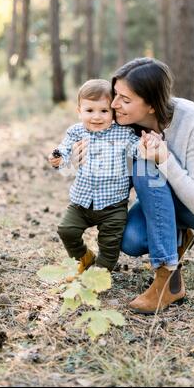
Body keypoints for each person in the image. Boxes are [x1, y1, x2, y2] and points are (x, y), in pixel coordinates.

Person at [66, 58, 194, 314]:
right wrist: (78, 161)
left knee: (145, 165)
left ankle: (166, 279)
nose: (114, 105)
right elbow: (115, 180)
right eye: (115, 96)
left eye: (125, 100)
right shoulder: (124, 126)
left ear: (150, 105)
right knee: (131, 240)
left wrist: (164, 159)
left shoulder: (193, 120)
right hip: (165, 198)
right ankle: (177, 237)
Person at [48, 79, 140, 277]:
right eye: (90, 111)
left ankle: (99, 275)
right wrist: (57, 158)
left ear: (113, 112)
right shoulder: (76, 132)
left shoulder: (123, 133)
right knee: (66, 230)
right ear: (79, 111)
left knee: (110, 244)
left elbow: (137, 147)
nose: (96, 117)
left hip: (113, 205)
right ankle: (85, 257)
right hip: (81, 202)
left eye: (104, 111)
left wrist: (147, 146)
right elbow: (64, 151)